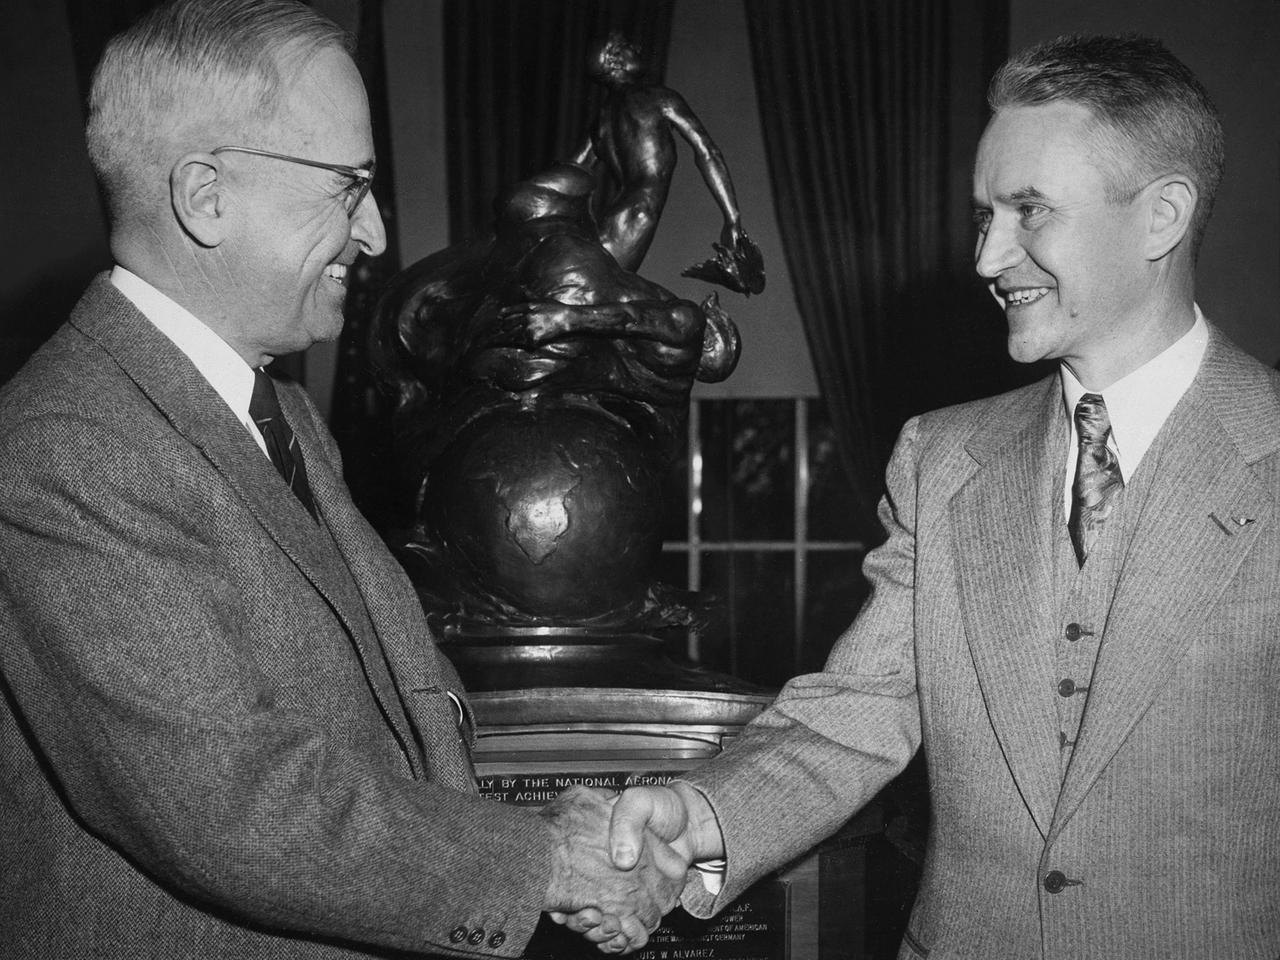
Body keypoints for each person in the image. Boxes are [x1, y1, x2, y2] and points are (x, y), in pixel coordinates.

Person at [574, 34, 1280, 958]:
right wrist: (698, 815)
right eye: (984, 216)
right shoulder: (942, 458)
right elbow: (861, 707)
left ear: (1162, 218)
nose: (989, 257)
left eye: (1031, 211)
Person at [0, 1, 683, 957]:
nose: (372, 233)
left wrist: (545, 821)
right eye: (347, 186)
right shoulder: (65, 449)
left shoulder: (277, 410)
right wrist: (547, 864)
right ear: (205, 196)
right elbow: (232, 804)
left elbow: (397, 695)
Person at [572, 32, 764, 295]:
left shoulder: (601, 122)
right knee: (603, 299)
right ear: (615, 60)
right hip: (637, 215)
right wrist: (732, 217)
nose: (636, 47)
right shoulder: (659, 99)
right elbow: (708, 151)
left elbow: (570, 172)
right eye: (628, 45)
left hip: (615, 217)